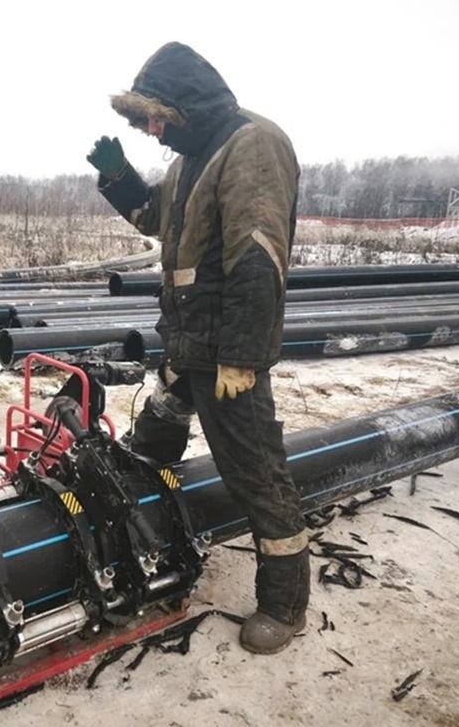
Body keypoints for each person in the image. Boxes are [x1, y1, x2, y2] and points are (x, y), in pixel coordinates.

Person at [86, 41, 308, 655]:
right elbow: (157, 218)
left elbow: (258, 255)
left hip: (226, 348)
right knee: (158, 428)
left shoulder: (251, 144)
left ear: (187, 104)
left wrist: (242, 354)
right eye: (143, 123)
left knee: (254, 471)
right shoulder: (189, 155)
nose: (153, 133)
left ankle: (284, 604)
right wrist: (119, 177)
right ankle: (140, 518)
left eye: (157, 118)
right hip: (187, 339)